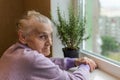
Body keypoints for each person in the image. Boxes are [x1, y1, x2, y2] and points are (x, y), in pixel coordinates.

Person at [0, 10, 97, 80]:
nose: (50, 42)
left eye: (50, 35)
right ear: (23, 37)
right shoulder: (32, 59)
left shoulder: (13, 51)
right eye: (42, 37)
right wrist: (86, 65)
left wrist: (74, 62)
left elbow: (46, 62)